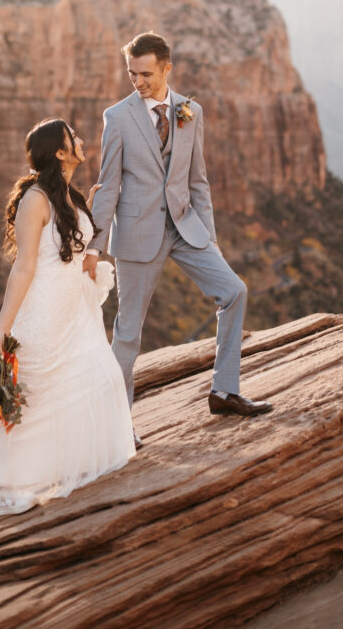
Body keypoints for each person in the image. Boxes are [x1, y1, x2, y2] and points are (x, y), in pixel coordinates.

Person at [84, 31, 273, 447]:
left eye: (146, 74)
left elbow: (198, 180)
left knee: (234, 291)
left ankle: (224, 391)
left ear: (167, 68)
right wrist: (95, 246)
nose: (138, 82)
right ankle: (117, 425)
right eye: (132, 74)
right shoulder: (117, 117)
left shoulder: (190, 111)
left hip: (186, 228)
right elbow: (108, 185)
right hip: (138, 233)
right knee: (128, 333)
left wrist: (210, 238)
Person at [0, 118, 135, 516]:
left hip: (76, 310)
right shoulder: (35, 199)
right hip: (44, 309)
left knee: (98, 378)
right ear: (59, 151)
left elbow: (76, 249)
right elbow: (24, 266)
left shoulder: (70, 196)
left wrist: (92, 210)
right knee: (39, 394)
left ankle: (73, 465)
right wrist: (3, 328)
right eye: (74, 137)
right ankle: (13, 484)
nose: (81, 141)